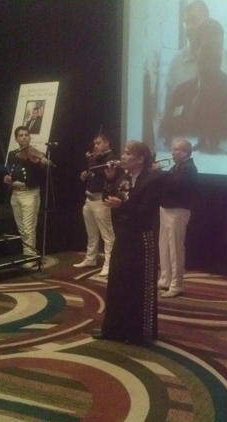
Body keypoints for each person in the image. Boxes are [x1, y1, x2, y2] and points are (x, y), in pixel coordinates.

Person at [93, 141, 161, 345]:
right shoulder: (122, 177)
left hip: (142, 238)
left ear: (140, 159)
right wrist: (109, 180)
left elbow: (146, 211)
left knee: (140, 284)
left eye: (128, 153)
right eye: (123, 152)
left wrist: (123, 205)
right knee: (117, 281)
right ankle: (113, 328)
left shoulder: (152, 180)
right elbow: (108, 200)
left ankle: (138, 333)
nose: (123, 156)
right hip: (123, 235)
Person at [163, 19, 227, 153]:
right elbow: (168, 130)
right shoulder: (181, 91)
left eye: (218, 47)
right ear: (196, 50)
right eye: (208, 47)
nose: (214, 53)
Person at [163, 0, 227, 121]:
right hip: (184, 136)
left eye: (194, 20)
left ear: (207, 20)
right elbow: (168, 111)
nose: (189, 27)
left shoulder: (224, 57)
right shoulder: (177, 61)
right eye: (186, 22)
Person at [3, 127, 49, 268]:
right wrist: (7, 178)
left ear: (29, 137)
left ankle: (31, 257)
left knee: (29, 227)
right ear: (16, 139)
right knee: (21, 228)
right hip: (15, 193)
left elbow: (41, 168)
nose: (24, 137)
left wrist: (43, 161)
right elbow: (13, 172)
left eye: (26, 135)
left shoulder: (35, 154)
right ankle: (27, 253)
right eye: (21, 135)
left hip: (30, 193)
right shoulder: (12, 154)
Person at [157, 139, 198, 298]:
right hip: (166, 209)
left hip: (178, 211)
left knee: (175, 249)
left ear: (186, 152)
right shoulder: (177, 166)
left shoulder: (189, 169)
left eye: (177, 150)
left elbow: (174, 185)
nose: (173, 152)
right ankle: (165, 278)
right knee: (164, 246)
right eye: (173, 149)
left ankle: (177, 284)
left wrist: (159, 173)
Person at [73, 134, 117, 277]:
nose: (95, 146)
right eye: (94, 143)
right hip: (89, 198)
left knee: (107, 235)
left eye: (98, 143)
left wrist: (92, 162)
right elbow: (94, 176)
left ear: (107, 143)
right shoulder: (96, 158)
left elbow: (108, 177)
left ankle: (109, 264)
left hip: (101, 200)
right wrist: (86, 174)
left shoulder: (110, 158)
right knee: (91, 233)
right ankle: (90, 258)